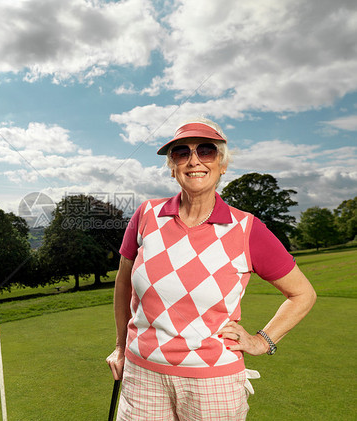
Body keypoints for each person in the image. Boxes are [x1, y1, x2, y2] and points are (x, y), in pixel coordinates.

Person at [106, 117, 316, 420]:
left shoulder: (247, 229)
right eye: (182, 152)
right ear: (172, 166)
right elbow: (123, 284)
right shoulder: (146, 215)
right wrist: (121, 348)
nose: (194, 161)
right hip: (142, 378)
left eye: (206, 151)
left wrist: (262, 341)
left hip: (213, 383)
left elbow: (302, 294)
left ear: (222, 164)